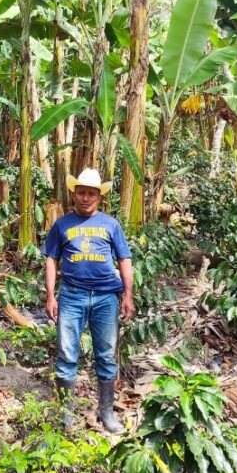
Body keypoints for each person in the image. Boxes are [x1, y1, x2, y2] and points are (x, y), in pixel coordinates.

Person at [43, 168, 134, 434]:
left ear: (99, 198)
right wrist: (50, 294)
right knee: (67, 354)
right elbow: (51, 259)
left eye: (91, 194)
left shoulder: (111, 224)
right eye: (81, 193)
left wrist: (128, 294)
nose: (85, 198)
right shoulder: (62, 225)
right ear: (74, 195)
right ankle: (65, 415)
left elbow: (124, 259)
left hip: (106, 297)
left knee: (106, 355)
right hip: (72, 295)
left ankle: (107, 413)